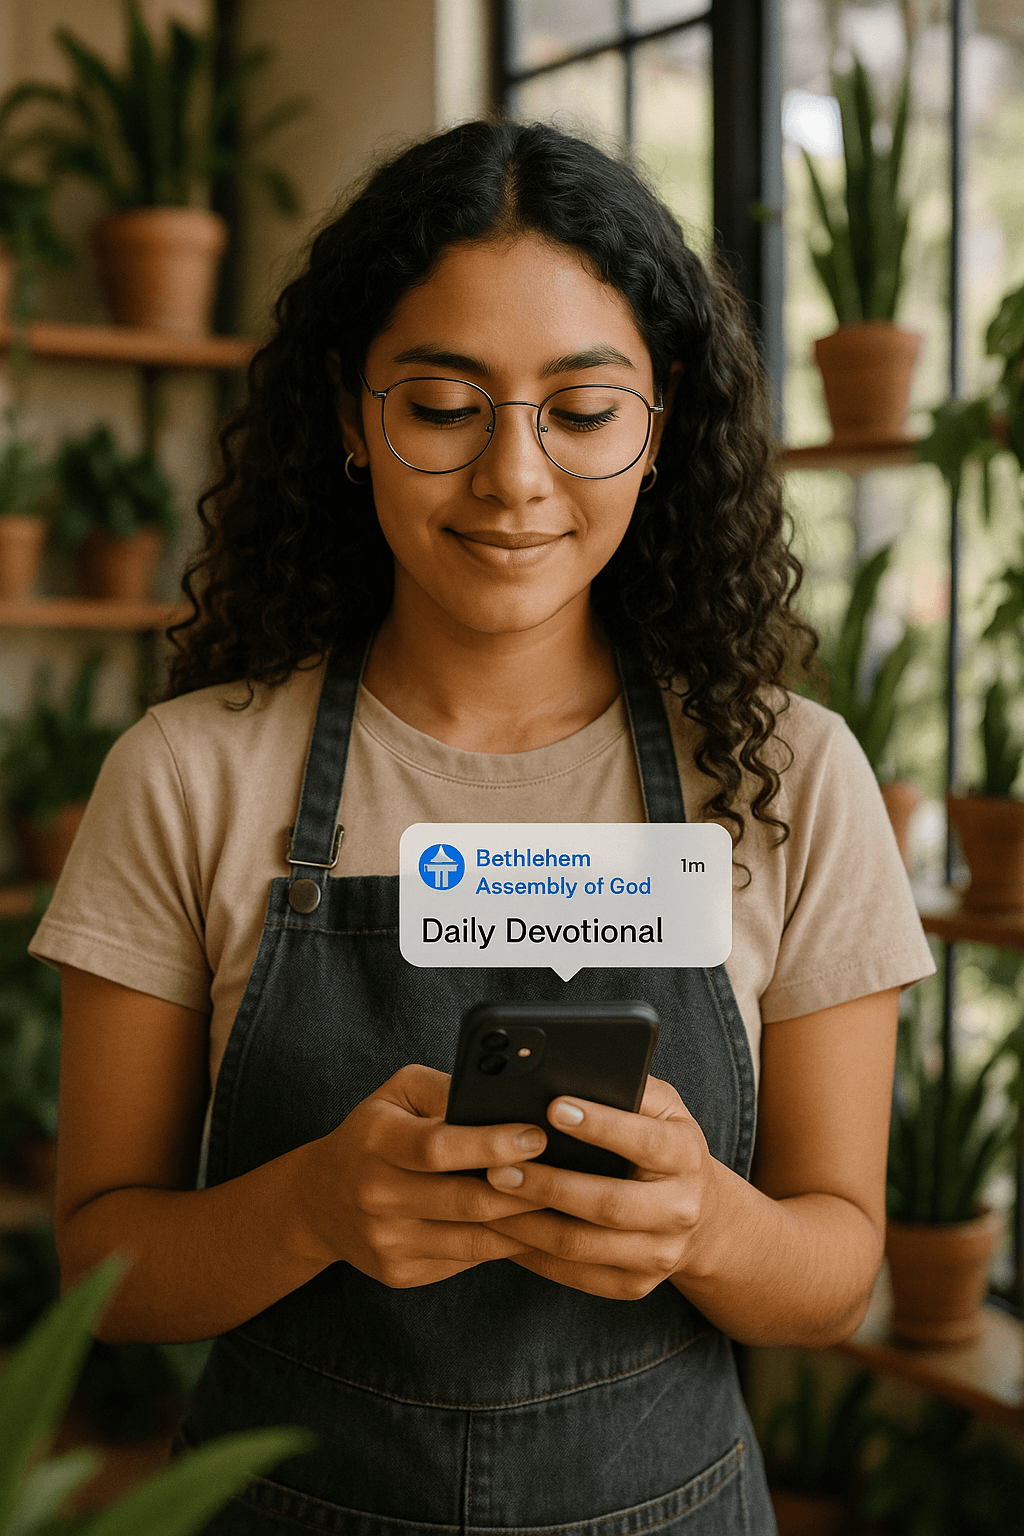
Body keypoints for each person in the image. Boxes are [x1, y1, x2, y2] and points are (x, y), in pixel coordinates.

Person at [32, 120, 935, 1535]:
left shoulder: (789, 777)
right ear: (351, 416)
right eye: (445, 408)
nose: (514, 481)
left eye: (581, 412)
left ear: (663, 419)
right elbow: (104, 1268)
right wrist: (317, 1211)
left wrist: (706, 1220)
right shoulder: (189, 776)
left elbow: (840, 1272)